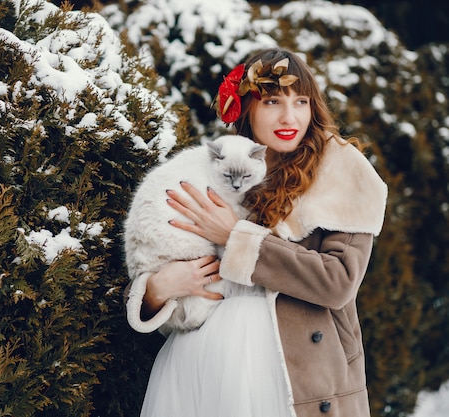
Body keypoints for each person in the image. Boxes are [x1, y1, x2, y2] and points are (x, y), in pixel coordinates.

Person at [125, 47, 388, 417]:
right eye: (272, 101)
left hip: (290, 379)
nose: (288, 116)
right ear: (247, 107)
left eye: (301, 101)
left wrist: (237, 238)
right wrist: (157, 288)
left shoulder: (343, 173)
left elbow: (338, 281)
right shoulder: (219, 167)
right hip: (197, 371)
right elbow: (160, 249)